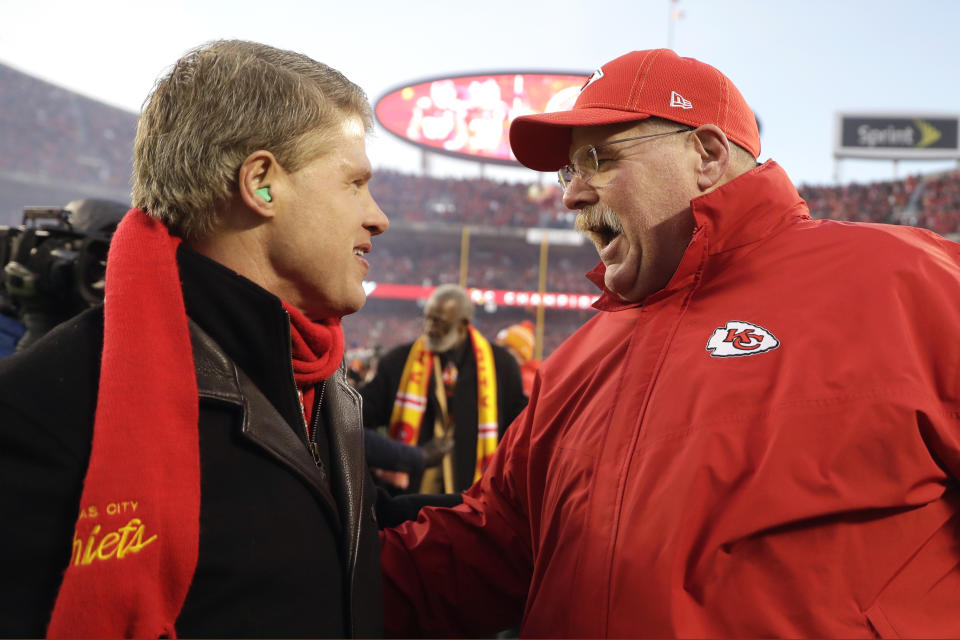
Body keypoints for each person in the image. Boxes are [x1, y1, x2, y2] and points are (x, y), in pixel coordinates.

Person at [379, 49, 960, 637]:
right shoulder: (579, 359)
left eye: (596, 159)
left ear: (705, 154)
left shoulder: (905, 281)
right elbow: (488, 550)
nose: (572, 196)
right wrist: (309, 554)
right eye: (567, 172)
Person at [0, 40, 389, 638]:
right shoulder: (43, 408)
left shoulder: (318, 382)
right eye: (355, 183)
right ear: (261, 184)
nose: (376, 216)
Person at [361, 284, 526, 494]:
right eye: (427, 319)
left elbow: (517, 432)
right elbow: (358, 422)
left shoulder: (502, 366)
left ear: (463, 324)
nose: (429, 328)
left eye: (439, 322)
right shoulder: (397, 362)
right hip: (407, 496)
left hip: (473, 493)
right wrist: (393, 460)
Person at [495, 320, 540, 397]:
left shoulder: (526, 381)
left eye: (505, 348)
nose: (499, 352)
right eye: (498, 348)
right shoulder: (508, 374)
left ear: (520, 354)